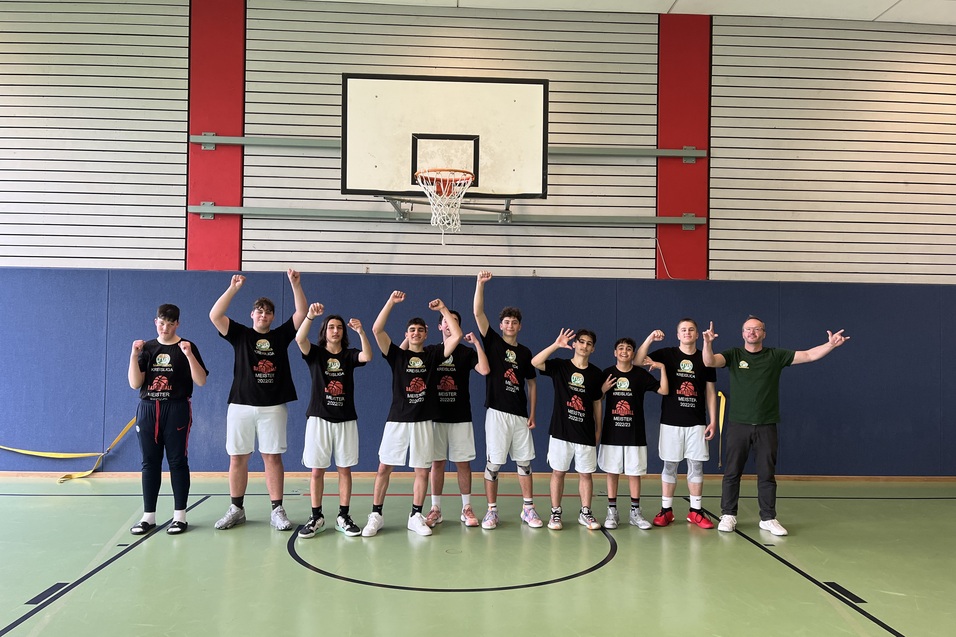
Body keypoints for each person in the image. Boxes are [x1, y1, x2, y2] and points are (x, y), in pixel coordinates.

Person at [702, 316, 849, 536]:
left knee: (767, 474)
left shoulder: (775, 355)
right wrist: (707, 342)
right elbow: (709, 362)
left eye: (757, 329)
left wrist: (830, 344)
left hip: (766, 425)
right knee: (732, 472)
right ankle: (728, 515)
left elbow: (808, 355)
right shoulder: (733, 355)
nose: (752, 332)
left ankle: (768, 518)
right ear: (742, 333)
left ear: (764, 333)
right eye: (748, 329)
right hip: (738, 425)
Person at [209, 270, 307, 531]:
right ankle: (236, 508)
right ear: (252, 314)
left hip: (273, 407)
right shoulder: (240, 334)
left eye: (268, 312)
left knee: (272, 457)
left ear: (272, 317)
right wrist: (233, 289)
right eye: (259, 311)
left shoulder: (280, 336)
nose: (263, 315)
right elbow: (215, 315)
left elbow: (301, 314)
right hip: (240, 405)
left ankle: (277, 510)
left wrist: (296, 285)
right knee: (237, 458)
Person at [361, 291, 461, 537]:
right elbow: (376, 329)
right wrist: (390, 302)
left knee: (421, 470)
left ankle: (416, 515)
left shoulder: (434, 354)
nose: (416, 333)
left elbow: (456, 335)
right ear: (407, 334)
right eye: (412, 330)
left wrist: (443, 309)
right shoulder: (397, 355)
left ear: (426, 334)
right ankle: (376, 514)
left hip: (423, 421)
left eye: (420, 330)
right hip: (397, 420)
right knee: (384, 467)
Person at [295, 302, 373, 539]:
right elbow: (300, 339)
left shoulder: (349, 356)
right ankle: (316, 515)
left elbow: (367, 355)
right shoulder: (316, 354)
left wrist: (361, 331)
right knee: (317, 470)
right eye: (331, 327)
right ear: (325, 332)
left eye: (339, 327)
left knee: (344, 469)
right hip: (319, 419)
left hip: (346, 419)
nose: (336, 331)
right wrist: (309, 316)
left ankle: (343, 516)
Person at [128, 304, 208, 535]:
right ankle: (148, 516)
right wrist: (134, 355)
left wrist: (189, 355)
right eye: (162, 323)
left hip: (176, 409)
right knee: (149, 463)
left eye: (170, 324)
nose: (165, 328)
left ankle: (180, 516)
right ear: (156, 322)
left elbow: (201, 381)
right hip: (148, 409)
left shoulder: (187, 347)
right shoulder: (147, 348)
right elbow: (135, 383)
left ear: (177, 324)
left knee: (177, 462)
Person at [473, 270, 542, 530]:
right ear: (501, 325)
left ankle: (528, 508)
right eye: (506, 321)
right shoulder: (492, 342)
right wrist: (480, 284)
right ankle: (492, 511)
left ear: (519, 326)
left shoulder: (525, 353)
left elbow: (532, 384)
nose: (510, 325)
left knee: (524, 463)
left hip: (520, 415)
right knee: (494, 464)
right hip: (497, 413)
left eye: (514, 322)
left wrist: (532, 413)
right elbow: (479, 313)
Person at [637, 320, 717, 530]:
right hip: (671, 422)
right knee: (670, 465)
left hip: (697, 422)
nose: (687, 332)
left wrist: (714, 419)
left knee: (696, 466)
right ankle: (666, 511)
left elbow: (710, 391)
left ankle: (696, 511)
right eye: (683, 330)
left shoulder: (705, 358)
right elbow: (637, 362)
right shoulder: (667, 354)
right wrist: (650, 339)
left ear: (697, 334)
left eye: (691, 330)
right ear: (677, 334)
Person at [531, 328, 610, 531]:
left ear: (593, 349)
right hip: (561, 431)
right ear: (574, 344)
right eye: (581, 342)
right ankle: (555, 512)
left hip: (585, 432)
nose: (584, 346)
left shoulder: (595, 374)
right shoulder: (560, 366)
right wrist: (556, 345)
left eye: (589, 343)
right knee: (558, 472)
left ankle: (585, 512)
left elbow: (596, 402)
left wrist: (598, 429)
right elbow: (535, 362)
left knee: (586, 475)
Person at [424, 310, 490, 528]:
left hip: (460, 416)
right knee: (437, 464)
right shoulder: (431, 351)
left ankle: (466, 507)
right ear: (440, 327)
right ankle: (436, 509)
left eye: (454, 322)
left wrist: (478, 345)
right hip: (435, 416)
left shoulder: (465, 352)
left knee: (463, 464)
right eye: (445, 321)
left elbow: (485, 369)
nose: (449, 325)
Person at [600, 337, 668, 530]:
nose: (624, 351)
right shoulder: (607, 373)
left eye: (629, 349)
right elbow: (597, 397)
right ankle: (612, 511)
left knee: (634, 472)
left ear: (633, 353)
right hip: (612, 433)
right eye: (620, 348)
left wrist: (662, 368)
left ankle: (635, 512)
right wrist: (603, 390)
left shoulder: (640, 375)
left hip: (634, 433)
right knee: (612, 471)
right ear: (615, 352)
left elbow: (663, 390)